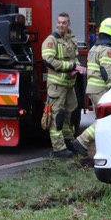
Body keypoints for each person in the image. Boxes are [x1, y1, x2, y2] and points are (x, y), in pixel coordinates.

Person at [70, 17, 111, 157]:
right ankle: (81, 141)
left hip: (93, 89)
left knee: (100, 119)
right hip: (102, 90)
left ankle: (96, 151)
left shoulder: (94, 48)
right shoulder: (108, 50)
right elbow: (107, 72)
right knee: (106, 120)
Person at [41, 11, 83, 158]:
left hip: (69, 84)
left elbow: (75, 58)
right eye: (59, 22)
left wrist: (77, 67)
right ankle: (58, 148)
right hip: (57, 86)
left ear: (68, 24)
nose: (60, 25)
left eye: (64, 23)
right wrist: (70, 66)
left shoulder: (71, 39)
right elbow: (48, 61)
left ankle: (68, 141)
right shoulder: (51, 40)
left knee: (69, 113)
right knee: (56, 116)